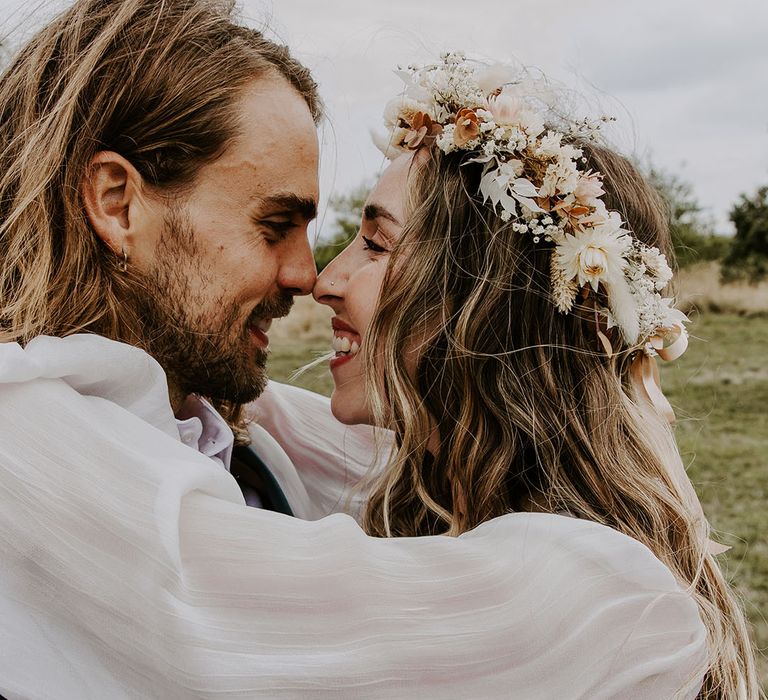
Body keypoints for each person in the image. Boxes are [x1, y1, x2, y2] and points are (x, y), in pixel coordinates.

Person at [0, 3, 746, 700]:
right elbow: (595, 609)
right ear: (117, 202)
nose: (309, 275)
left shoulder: (233, 419)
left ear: (470, 306)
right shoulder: (24, 436)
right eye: (273, 224)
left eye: (372, 242)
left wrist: (601, 382)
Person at [260, 54, 761, 697]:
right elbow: (253, 415)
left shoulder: (559, 587)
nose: (324, 281)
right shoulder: (433, 484)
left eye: (378, 245)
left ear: (487, 305)